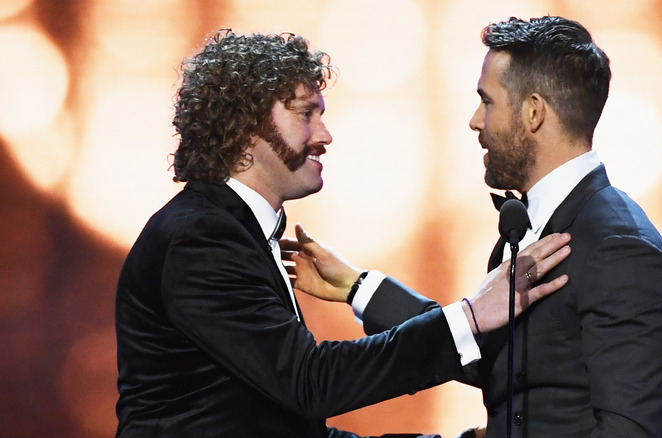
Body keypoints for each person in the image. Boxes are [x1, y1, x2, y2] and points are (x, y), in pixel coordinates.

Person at [114, 29, 572, 438]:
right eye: (305, 114)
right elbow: (311, 385)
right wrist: (470, 315)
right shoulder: (200, 240)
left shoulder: (230, 230)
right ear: (244, 128)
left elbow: (287, 424)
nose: (325, 134)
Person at [293, 16, 662, 438]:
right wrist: (359, 287)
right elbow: (498, 358)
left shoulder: (621, 248)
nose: (476, 121)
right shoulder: (524, 229)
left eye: (487, 101)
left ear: (533, 112)